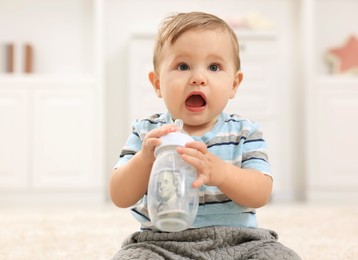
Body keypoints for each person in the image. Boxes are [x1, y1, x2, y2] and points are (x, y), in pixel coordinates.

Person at [109, 11, 300, 260]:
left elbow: (260, 193)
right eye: (183, 66)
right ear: (157, 83)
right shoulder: (147, 132)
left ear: (234, 84)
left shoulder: (244, 131)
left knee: (278, 256)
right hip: (161, 243)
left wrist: (221, 173)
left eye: (214, 67)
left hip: (239, 242)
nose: (198, 78)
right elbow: (119, 196)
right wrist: (145, 158)